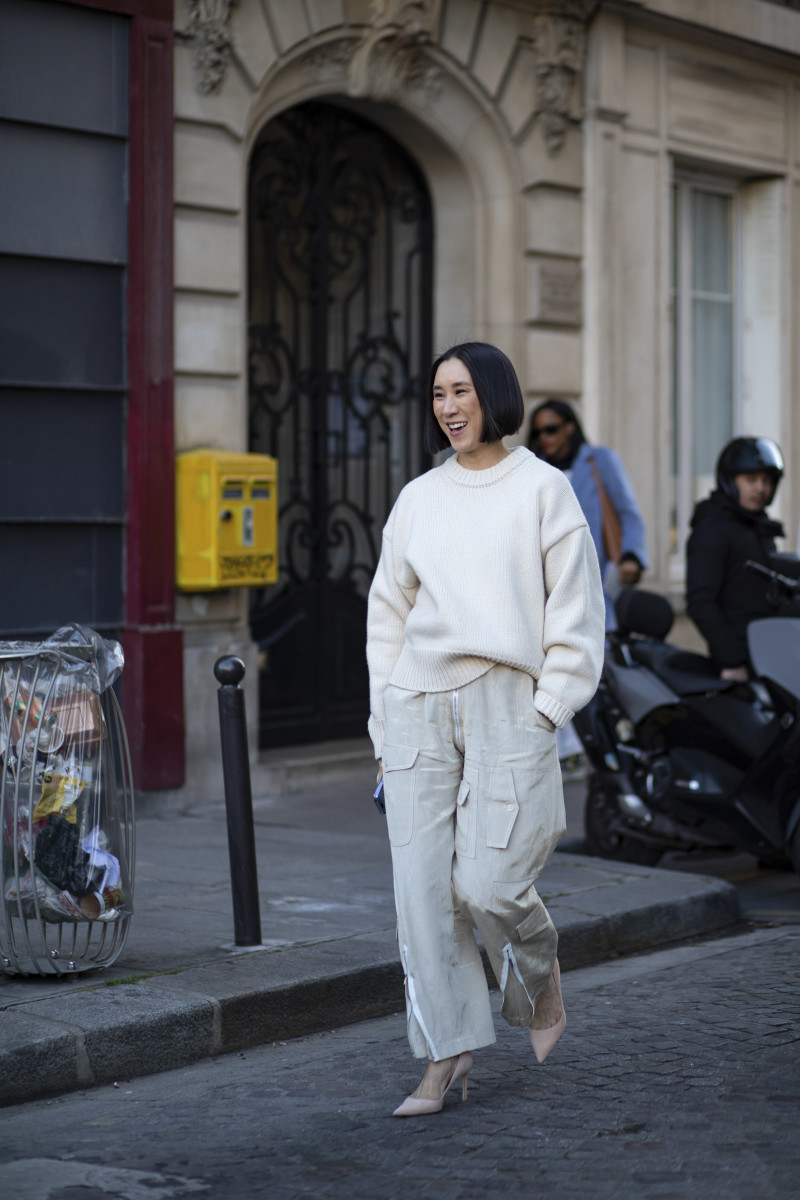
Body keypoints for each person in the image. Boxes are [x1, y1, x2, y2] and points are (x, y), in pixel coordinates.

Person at [366, 343, 605, 1117]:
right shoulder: (417, 498)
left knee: (489, 884)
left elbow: (576, 610)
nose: (448, 406)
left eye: (461, 390)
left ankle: (537, 975)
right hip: (416, 705)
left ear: (492, 395)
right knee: (422, 895)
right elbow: (387, 617)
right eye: (438, 393)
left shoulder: (543, 490)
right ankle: (445, 1056)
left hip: (510, 702)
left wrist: (549, 708)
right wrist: (383, 715)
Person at [528, 399, 648, 629]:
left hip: (595, 578)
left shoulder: (599, 460)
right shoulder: (534, 470)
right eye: (538, 432)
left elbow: (629, 513)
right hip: (547, 584)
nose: (544, 438)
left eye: (551, 430)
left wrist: (631, 556)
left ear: (569, 427)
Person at [686, 437, 785, 681]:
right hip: (741, 663)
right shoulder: (713, 530)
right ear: (730, 481)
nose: (760, 488)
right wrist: (732, 660)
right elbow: (701, 602)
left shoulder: (759, 528)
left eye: (766, 480)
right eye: (751, 480)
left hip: (771, 656)